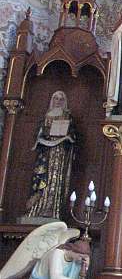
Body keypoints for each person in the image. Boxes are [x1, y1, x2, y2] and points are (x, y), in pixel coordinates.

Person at [0, 222, 89, 279]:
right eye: (81, 257)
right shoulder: (57, 253)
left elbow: (79, 272)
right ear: (74, 251)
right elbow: (55, 278)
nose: (81, 260)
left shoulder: (75, 259)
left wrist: (86, 265)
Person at [23, 91, 77, 222]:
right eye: (56, 98)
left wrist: (68, 138)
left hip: (59, 153)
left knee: (55, 180)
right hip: (46, 152)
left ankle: (53, 210)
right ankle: (37, 207)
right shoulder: (46, 116)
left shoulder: (67, 116)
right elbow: (39, 134)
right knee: (42, 179)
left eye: (61, 99)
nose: (58, 101)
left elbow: (73, 135)